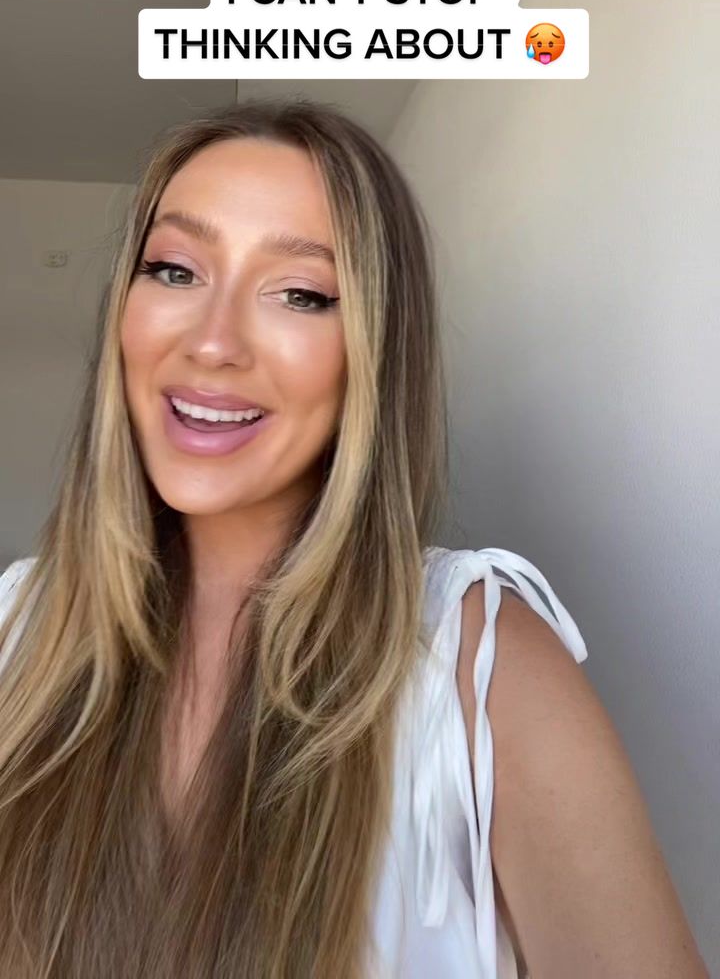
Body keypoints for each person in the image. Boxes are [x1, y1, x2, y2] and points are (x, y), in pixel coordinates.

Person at [0, 100, 708, 979]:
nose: (212, 343)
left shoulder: (477, 666)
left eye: (301, 293)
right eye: (175, 270)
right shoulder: (17, 625)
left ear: (374, 351)